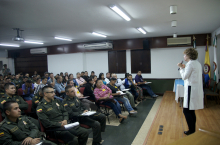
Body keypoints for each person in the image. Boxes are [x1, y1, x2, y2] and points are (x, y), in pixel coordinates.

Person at [177, 48, 203, 135]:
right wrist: (184, 67)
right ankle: (192, 129)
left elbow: (184, 77)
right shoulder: (197, 63)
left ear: (189, 55)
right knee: (191, 110)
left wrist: (181, 68)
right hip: (195, 89)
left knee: (186, 111)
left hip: (191, 89)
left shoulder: (190, 64)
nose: (184, 56)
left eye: (185, 55)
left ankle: (191, 131)